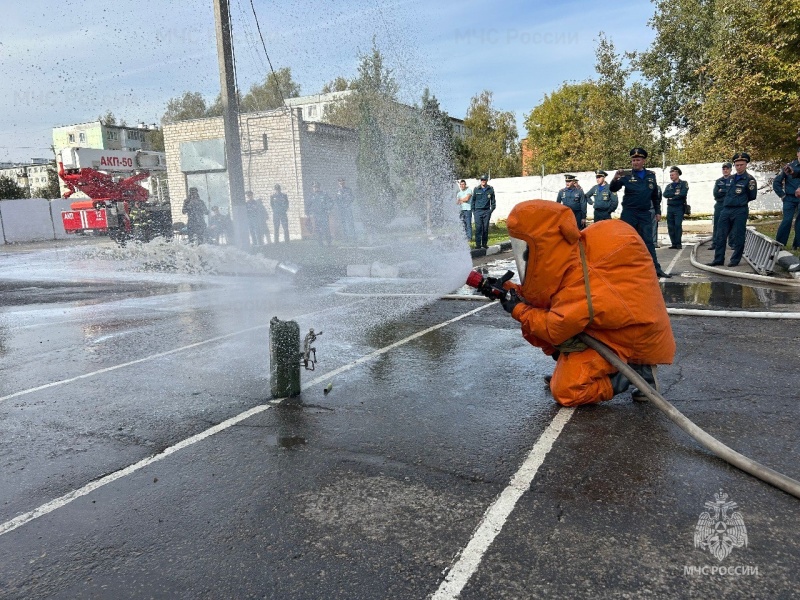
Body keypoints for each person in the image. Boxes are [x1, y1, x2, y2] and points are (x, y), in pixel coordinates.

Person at [493, 200, 675, 407]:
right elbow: (543, 297)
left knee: (566, 391)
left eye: (528, 249)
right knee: (533, 323)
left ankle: (637, 374)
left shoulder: (583, 279)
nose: (525, 255)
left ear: (545, 246)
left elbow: (554, 327)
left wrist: (516, 308)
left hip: (624, 341)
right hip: (608, 329)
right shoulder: (571, 258)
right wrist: (508, 290)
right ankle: (573, 367)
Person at [610, 147, 671, 278]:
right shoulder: (626, 175)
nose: (635, 162)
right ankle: (624, 270)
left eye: (638, 160)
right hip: (629, 213)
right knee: (626, 241)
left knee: (648, 242)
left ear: (643, 161)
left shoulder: (650, 176)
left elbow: (655, 196)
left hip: (644, 213)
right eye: (633, 160)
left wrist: (658, 211)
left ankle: (656, 269)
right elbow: (613, 188)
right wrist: (615, 178)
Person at [708, 152, 758, 267]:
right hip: (726, 209)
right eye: (737, 165)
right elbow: (720, 193)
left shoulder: (749, 180)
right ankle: (718, 259)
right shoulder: (730, 178)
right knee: (720, 235)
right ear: (734, 166)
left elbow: (752, 196)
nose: (739, 167)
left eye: (741, 164)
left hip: (740, 210)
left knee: (738, 236)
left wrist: (739, 201)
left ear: (746, 165)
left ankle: (734, 260)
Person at [772, 148, 800, 250]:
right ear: (797, 154)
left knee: (799, 221)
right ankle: (779, 244)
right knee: (787, 221)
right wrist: (782, 195)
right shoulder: (789, 167)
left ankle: (797, 244)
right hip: (790, 198)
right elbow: (776, 182)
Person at [663, 166, 689, 249]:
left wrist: (672, 196)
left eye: (673, 175)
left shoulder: (683, 183)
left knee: (677, 225)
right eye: (670, 175)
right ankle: (673, 243)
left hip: (679, 207)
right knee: (670, 226)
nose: (671, 177)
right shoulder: (669, 186)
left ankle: (678, 243)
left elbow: (683, 194)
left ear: (677, 175)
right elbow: (665, 194)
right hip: (670, 207)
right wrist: (675, 194)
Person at [710, 163, 733, 250]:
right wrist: (726, 191)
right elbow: (716, 194)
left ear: (731, 169)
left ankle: (732, 243)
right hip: (720, 204)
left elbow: (733, 193)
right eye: (724, 169)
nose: (725, 170)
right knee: (717, 224)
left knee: (731, 224)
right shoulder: (718, 181)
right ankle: (715, 243)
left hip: (730, 205)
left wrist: (722, 190)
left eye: (727, 169)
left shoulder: (734, 179)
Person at [472, 174, 496, 249]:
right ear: (480, 181)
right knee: (478, 228)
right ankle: (478, 244)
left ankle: (484, 244)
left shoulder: (490, 189)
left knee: (485, 228)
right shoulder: (476, 189)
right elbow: (473, 201)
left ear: (486, 181)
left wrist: (490, 211)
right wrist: (474, 211)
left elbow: (493, 202)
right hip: (478, 211)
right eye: (482, 180)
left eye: (484, 180)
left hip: (486, 211)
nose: (483, 181)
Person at [308, 181, 332, 245]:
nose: (315, 188)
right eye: (314, 187)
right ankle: (320, 242)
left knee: (326, 228)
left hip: (323, 214)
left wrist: (328, 209)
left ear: (319, 187)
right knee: (317, 229)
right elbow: (308, 205)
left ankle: (329, 242)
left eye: (317, 187)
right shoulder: (311, 195)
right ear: (312, 188)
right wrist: (308, 213)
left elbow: (330, 202)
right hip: (316, 215)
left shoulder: (324, 194)